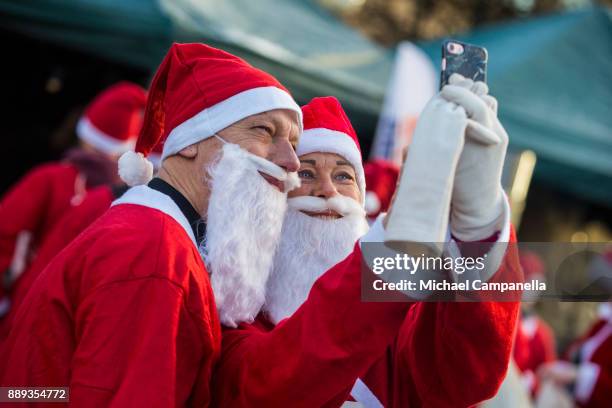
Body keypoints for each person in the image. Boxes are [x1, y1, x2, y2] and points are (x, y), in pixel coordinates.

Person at [0, 42, 303, 407]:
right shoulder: (157, 252)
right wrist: (390, 252)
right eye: (265, 131)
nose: (292, 162)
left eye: (295, 143)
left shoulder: (158, 237)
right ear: (191, 142)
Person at [212, 90, 522, 407]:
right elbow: (269, 386)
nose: (327, 190)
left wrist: (480, 226)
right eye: (305, 173)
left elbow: (463, 380)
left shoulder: (399, 321)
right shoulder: (232, 316)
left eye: (343, 175)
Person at [0, 82, 146, 316]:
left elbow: (6, 232)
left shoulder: (50, 178)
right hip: (72, 317)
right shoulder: (128, 202)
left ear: (85, 133)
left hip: (22, 307)